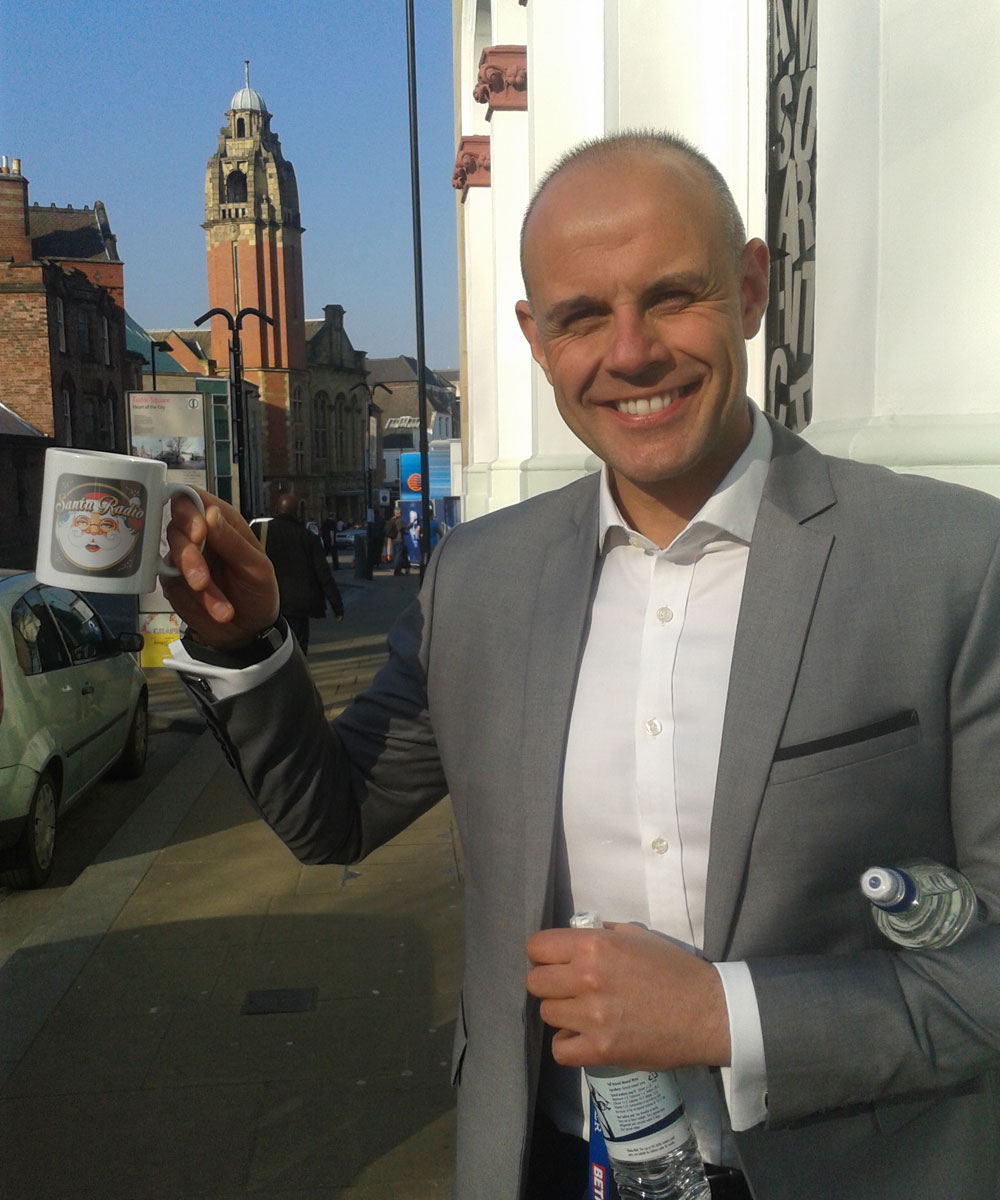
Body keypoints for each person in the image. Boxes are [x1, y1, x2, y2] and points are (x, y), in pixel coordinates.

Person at [161, 131, 1000, 1200]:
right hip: (554, 1166)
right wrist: (245, 640)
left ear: (749, 287)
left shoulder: (949, 563)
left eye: (672, 296)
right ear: (533, 336)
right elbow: (338, 814)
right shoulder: (479, 577)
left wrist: (726, 1015)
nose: (631, 352)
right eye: (581, 317)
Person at [250, 493, 343, 654]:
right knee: (297, 649)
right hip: (299, 605)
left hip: (270, 602)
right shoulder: (309, 538)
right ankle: (295, 674)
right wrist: (337, 606)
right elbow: (324, 575)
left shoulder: (261, 532)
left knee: (271, 649)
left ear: (276, 509)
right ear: (297, 512)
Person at [384, 504, 411, 575]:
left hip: (393, 539)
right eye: (400, 513)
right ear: (398, 513)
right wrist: (411, 523)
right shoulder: (399, 521)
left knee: (396, 555)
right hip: (399, 540)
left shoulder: (391, 520)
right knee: (399, 556)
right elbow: (407, 527)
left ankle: (400, 568)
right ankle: (397, 570)